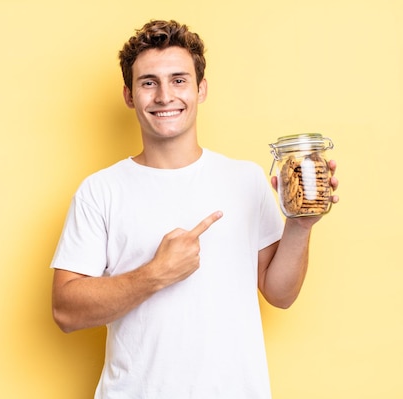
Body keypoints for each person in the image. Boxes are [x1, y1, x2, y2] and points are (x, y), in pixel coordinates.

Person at [50, 19, 339, 398]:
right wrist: (155, 273)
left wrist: (300, 226)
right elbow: (65, 311)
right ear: (128, 94)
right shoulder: (101, 191)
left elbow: (279, 293)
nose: (165, 96)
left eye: (179, 80)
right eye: (148, 82)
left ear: (201, 89)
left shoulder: (246, 180)